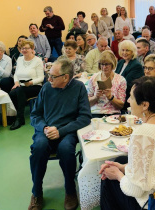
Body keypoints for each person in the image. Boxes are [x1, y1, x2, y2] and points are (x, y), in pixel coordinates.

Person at [100, 76, 155, 210]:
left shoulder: (143, 133)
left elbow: (134, 190)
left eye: (131, 97)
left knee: (109, 179)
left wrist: (118, 175)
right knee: (120, 160)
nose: (129, 101)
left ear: (145, 105)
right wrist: (124, 167)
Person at [28, 58, 92, 210]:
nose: (48, 79)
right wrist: (44, 128)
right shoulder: (46, 88)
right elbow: (35, 115)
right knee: (39, 147)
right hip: (46, 129)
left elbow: (84, 117)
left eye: (52, 76)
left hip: (67, 130)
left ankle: (70, 190)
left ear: (65, 77)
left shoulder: (79, 88)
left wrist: (61, 131)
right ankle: (36, 192)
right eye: (48, 75)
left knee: (66, 149)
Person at [9, 40, 44, 130]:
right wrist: (16, 82)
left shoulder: (38, 60)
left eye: (27, 48)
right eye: (22, 48)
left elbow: (41, 78)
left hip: (35, 86)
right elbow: (16, 74)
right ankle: (18, 116)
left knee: (19, 91)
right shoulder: (20, 59)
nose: (24, 50)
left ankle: (19, 118)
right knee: (12, 93)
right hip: (21, 85)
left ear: (32, 49)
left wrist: (30, 83)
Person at [87, 51, 126, 117]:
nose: (104, 67)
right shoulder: (93, 78)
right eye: (102, 64)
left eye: (107, 64)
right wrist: (96, 97)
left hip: (113, 113)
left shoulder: (121, 80)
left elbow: (121, 105)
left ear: (112, 64)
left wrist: (110, 97)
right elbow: (87, 103)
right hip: (96, 112)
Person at [115, 40, 144, 109]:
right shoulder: (121, 62)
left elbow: (127, 84)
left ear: (132, 52)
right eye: (123, 50)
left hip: (127, 97)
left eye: (127, 50)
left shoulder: (136, 65)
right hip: (117, 94)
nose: (124, 53)